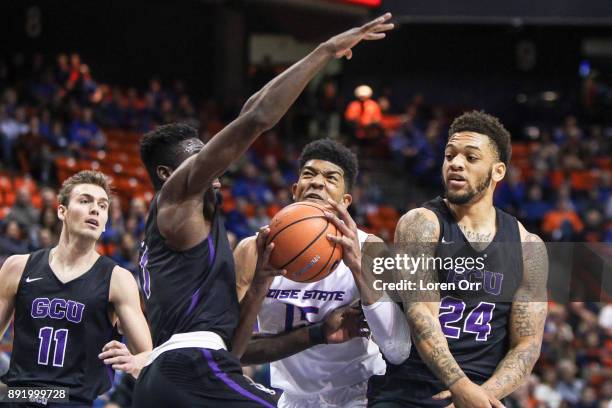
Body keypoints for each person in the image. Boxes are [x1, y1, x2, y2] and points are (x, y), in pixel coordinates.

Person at [132, 14, 394, 408]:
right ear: (170, 174)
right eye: (199, 159)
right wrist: (325, 51)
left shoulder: (196, 228)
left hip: (193, 370)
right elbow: (255, 116)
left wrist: (259, 288)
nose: (214, 167)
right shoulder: (178, 199)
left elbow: (233, 350)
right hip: (191, 367)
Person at [367, 111, 548, 408]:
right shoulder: (421, 224)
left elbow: (527, 344)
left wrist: (482, 397)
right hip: (410, 388)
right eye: (449, 155)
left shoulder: (529, 246)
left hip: (481, 392)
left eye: (471, 158)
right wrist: (461, 387)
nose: (456, 164)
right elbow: (420, 313)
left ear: (498, 171)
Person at [234, 139, 411, 408]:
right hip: (293, 398)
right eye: (309, 174)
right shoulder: (252, 251)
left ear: (346, 200)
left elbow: (397, 348)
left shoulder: (370, 248)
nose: (317, 182)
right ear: (295, 190)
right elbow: (232, 351)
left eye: (331, 178)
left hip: (361, 393)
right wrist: (317, 332)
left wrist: (356, 266)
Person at [0, 170, 152, 406]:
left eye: (103, 206)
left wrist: (134, 360)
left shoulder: (118, 279)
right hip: (17, 395)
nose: (95, 210)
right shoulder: (17, 267)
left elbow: (147, 355)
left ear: (104, 224)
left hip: (74, 401)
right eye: (85, 201)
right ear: (62, 211)